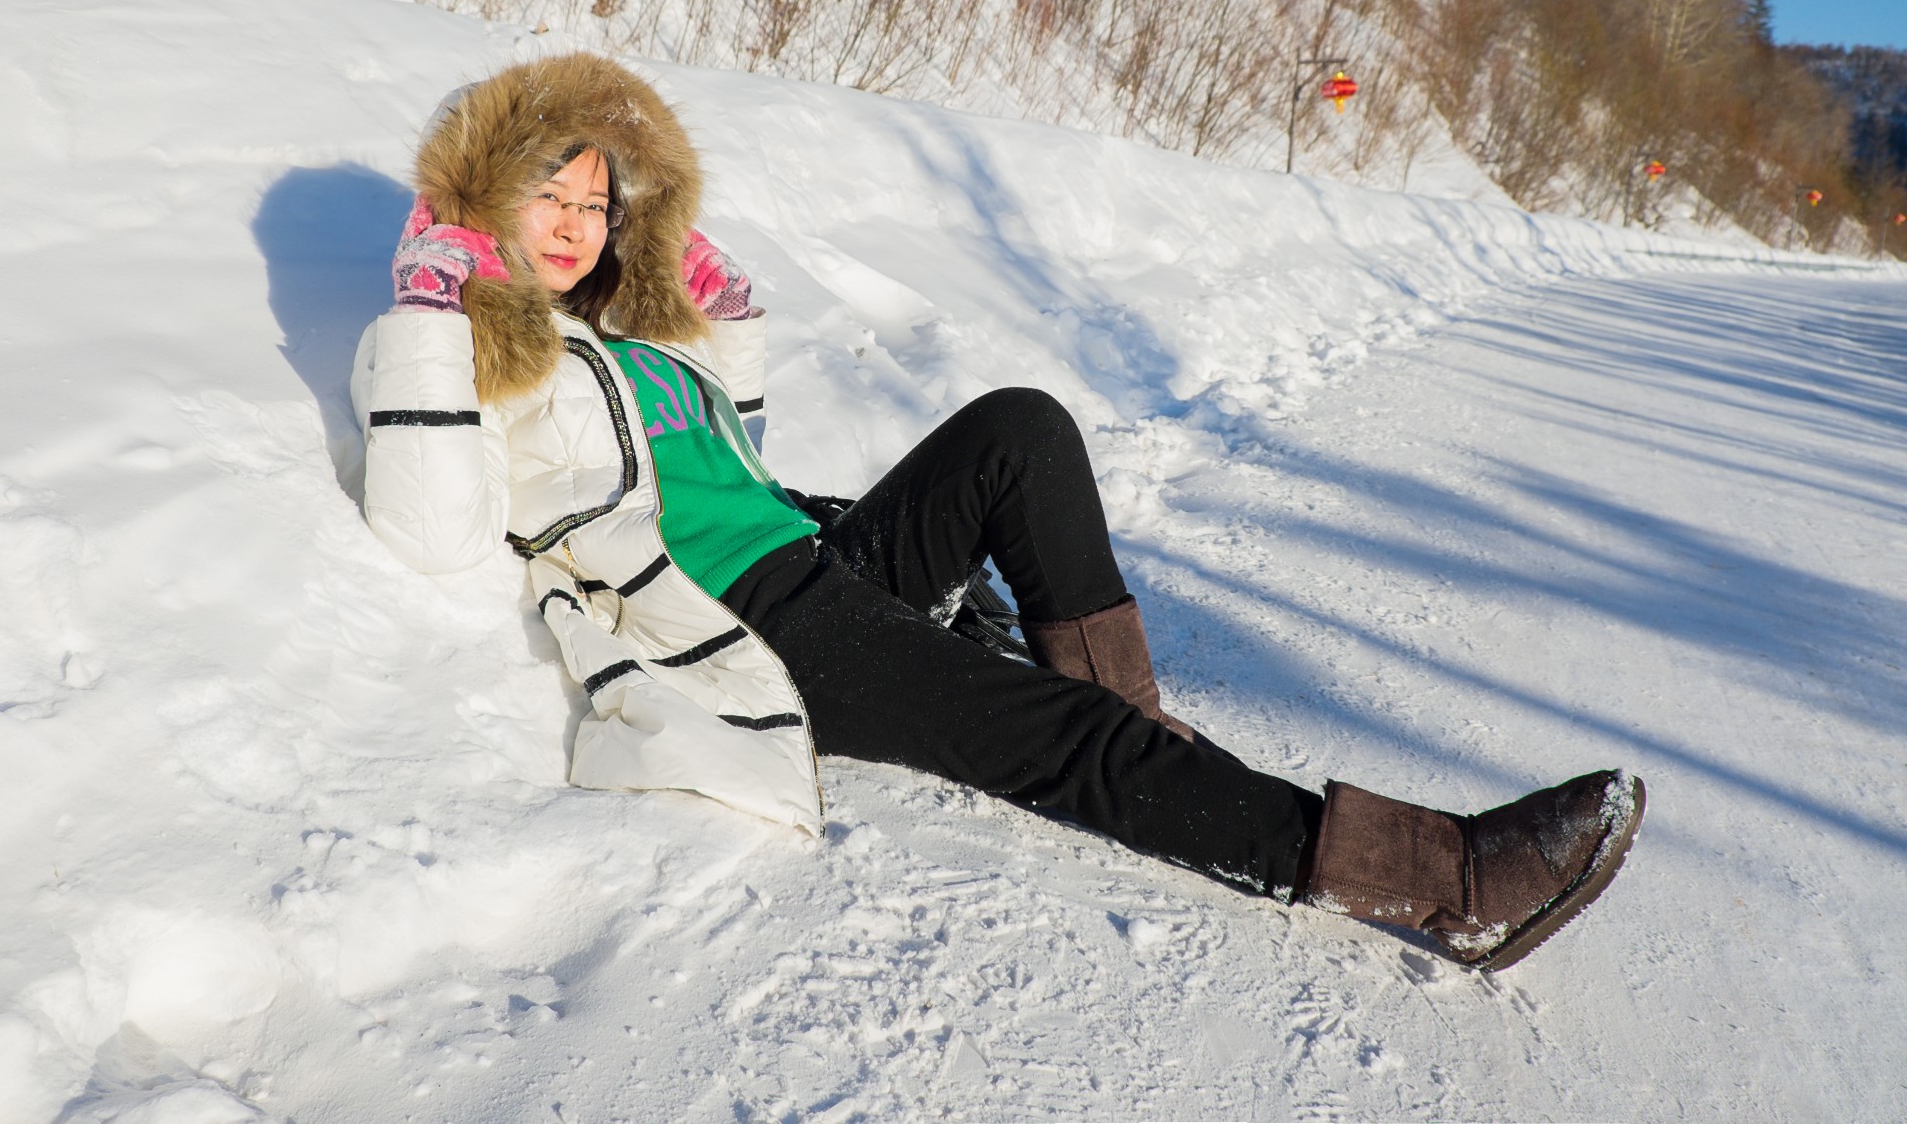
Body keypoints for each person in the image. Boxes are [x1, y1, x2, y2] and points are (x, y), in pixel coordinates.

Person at [351, 52, 1645, 972]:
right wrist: (427, 311)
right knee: (1048, 730)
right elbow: (434, 531)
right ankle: (1445, 880)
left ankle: (1139, 739)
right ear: (478, 202)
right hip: (745, 631)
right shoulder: (462, 348)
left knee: (1020, 428)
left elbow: (730, 460)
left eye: (596, 201)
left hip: (804, 552)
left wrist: (718, 314)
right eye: (547, 198)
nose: (577, 226)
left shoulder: (614, 335)